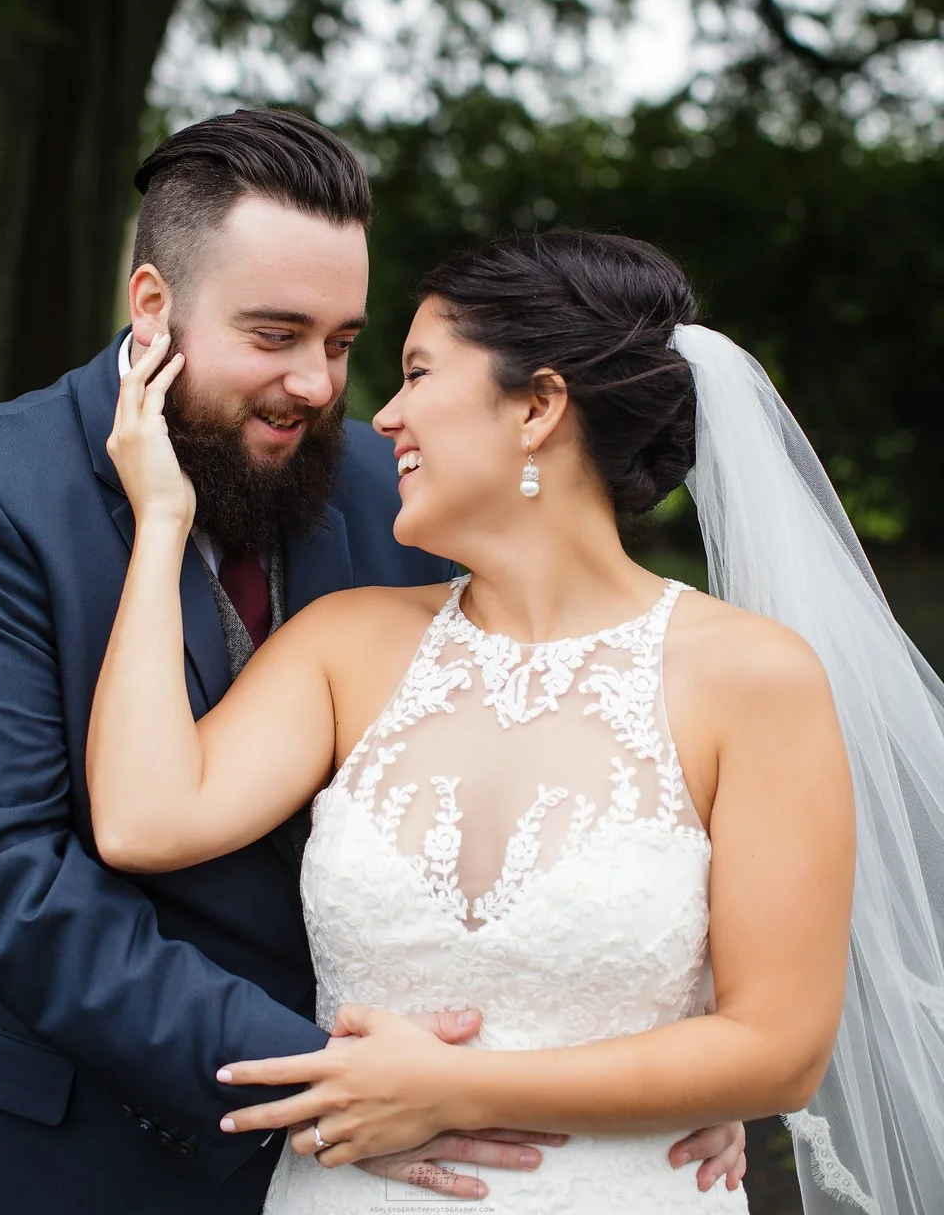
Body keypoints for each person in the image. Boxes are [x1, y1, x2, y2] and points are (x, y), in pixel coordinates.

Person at [0, 114, 743, 1215]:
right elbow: (2, 876)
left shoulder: (386, 476)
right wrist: (325, 1083)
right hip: (73, 1144)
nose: (318, 386)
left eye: (344, 343)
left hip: (415, 1133)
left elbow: (542, 727)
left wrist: (639, 1043)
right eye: (275, 335)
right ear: (154, 307)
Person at [88, 224, 938, 1215]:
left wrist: (455, 1089)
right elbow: (144, 820)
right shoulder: (344, 644)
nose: (386, 415)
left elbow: (778, 1050)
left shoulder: (751, 678)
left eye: (415, 372)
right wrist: (161, 523)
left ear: (537, 406)